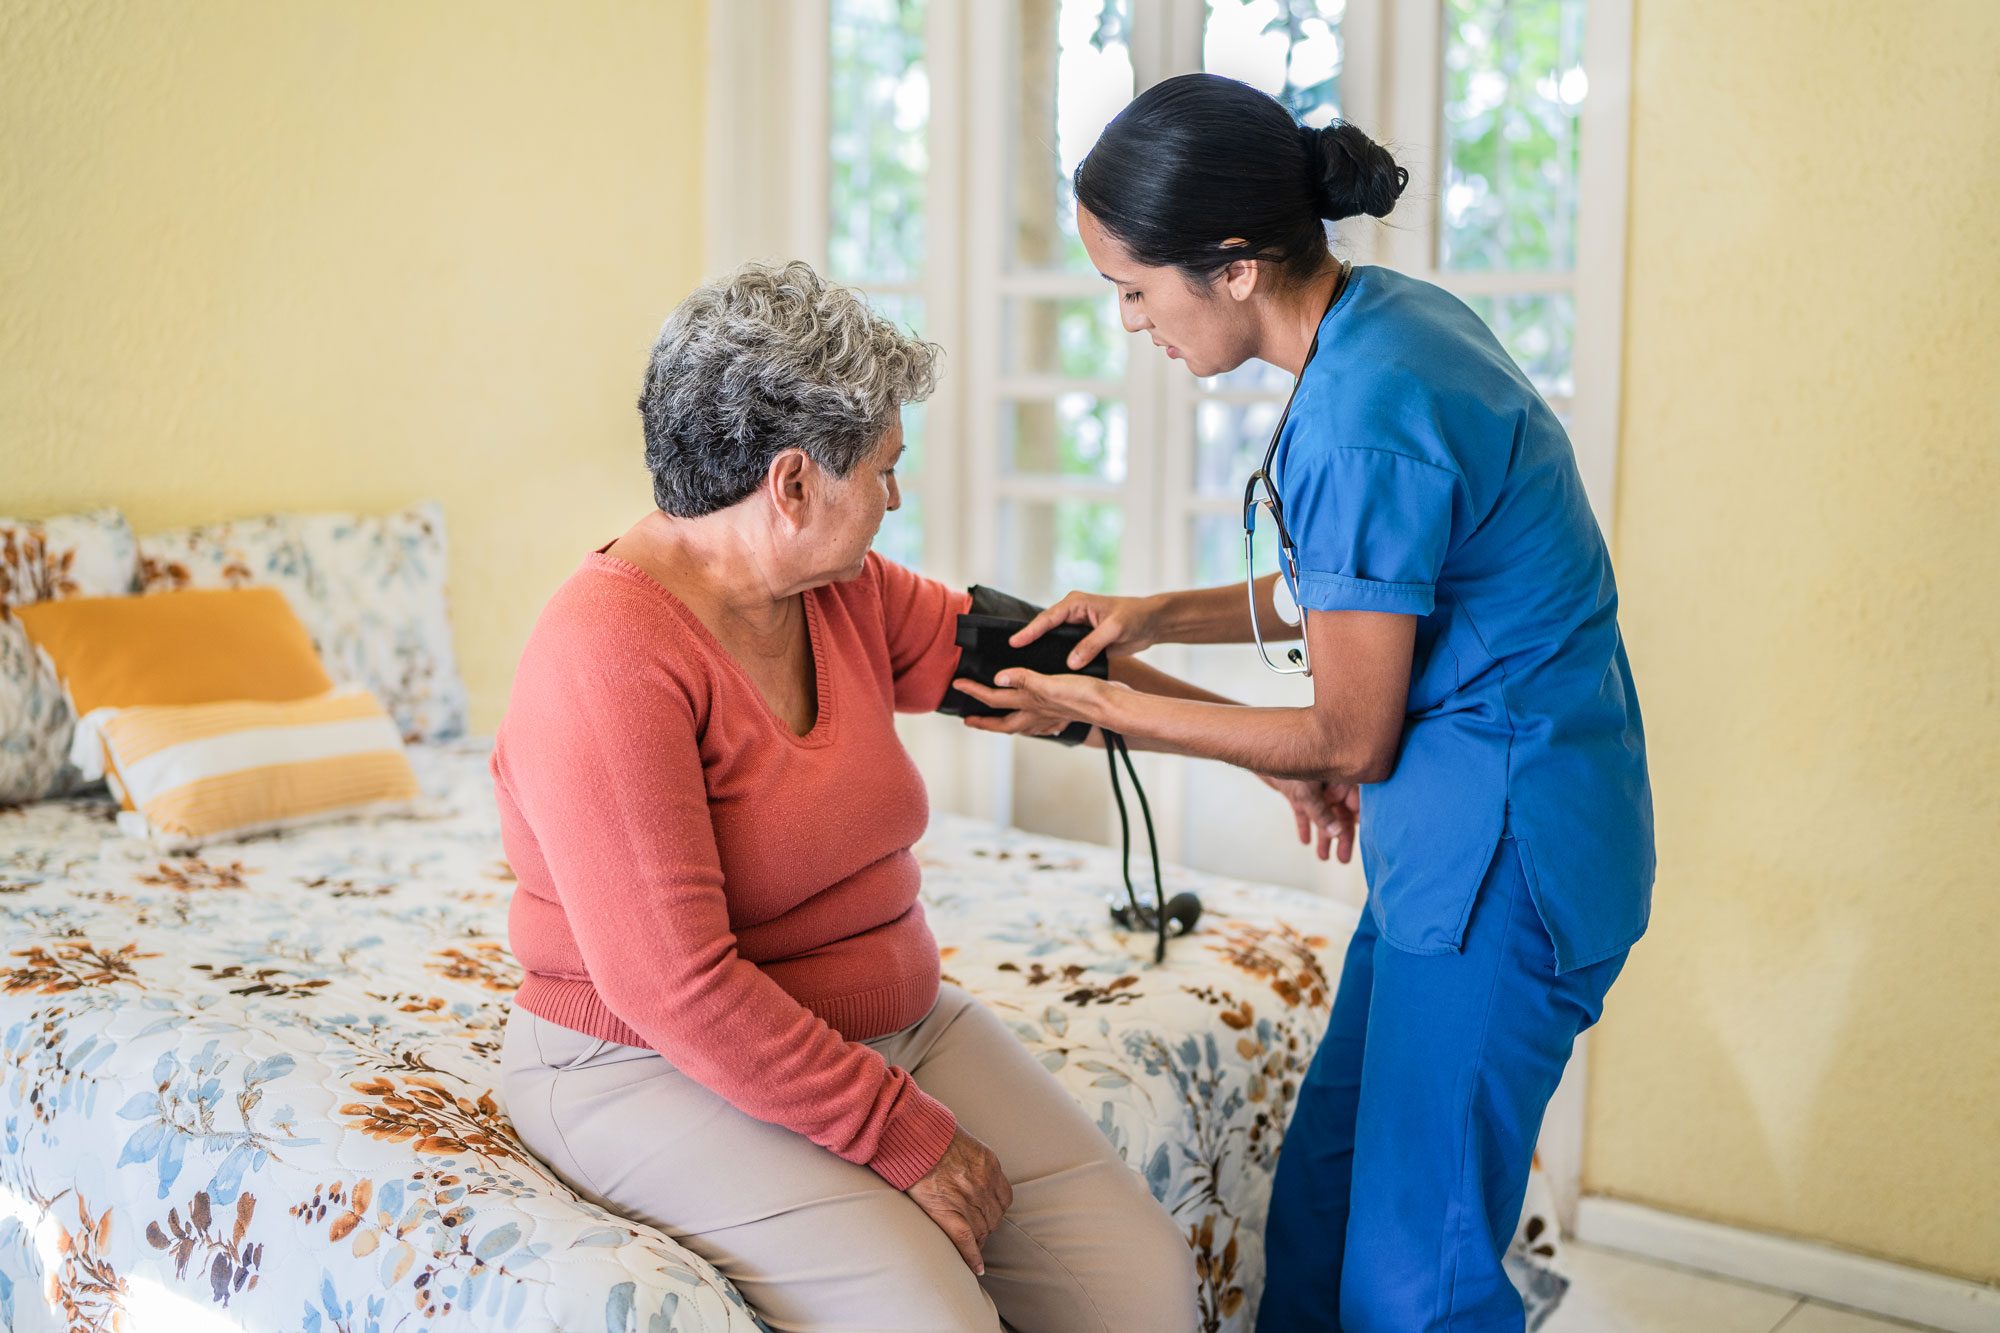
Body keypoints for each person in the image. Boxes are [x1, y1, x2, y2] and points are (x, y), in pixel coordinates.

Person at [953, 73, 1655, 1332]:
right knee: (1322, 1196)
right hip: (1457, 846)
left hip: (1507, 859)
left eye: (1130, 290)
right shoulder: (1388, 324)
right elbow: (1365, 587)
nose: (1126, 322)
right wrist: (1153, 615)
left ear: (1228, 267)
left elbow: (1347, 733)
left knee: (1415, 1281)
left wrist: (1108, 708)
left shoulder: (1363, 407)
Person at [490, 260, 1210, 1332]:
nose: (894, 497)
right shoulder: (606, 654)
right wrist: (905, 1136)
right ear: (790, 485)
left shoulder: (839, 591)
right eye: (882, 468)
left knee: (1145, 1288)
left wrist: (1287, 753)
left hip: (892, 1022)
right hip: (643, 1064)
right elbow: (674, 988)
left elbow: (1033, 660)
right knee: (938, 1321)